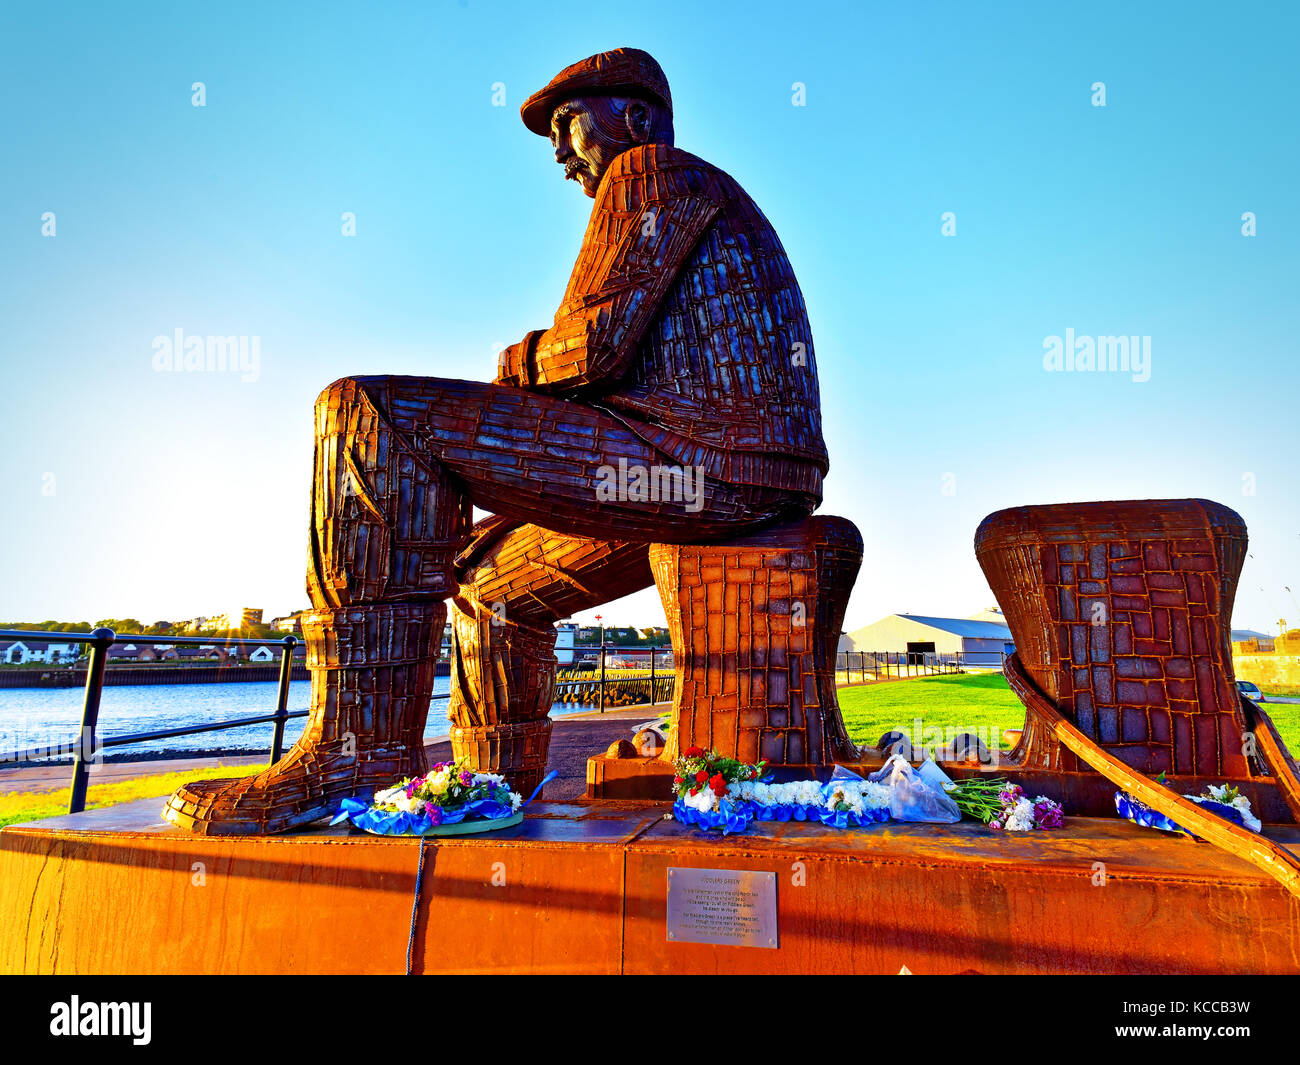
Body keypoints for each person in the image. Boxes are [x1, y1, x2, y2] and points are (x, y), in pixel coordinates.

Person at [165, 47, 829, 834]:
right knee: (487, 584)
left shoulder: (649, 173)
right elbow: (622, 364)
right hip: (717, 469)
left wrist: (519, 360)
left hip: (703, 462)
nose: (557, 152)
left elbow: (592, 349)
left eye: (570, 124)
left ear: (638, 118)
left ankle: (359, 751)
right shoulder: (685, 195)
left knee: (366, 415)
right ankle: (485, 794)